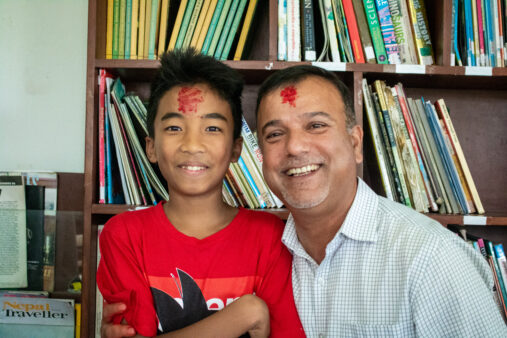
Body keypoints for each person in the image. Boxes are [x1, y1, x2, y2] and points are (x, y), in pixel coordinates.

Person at [102, 64, 507, 337]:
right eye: (275, 134)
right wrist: (242, 315)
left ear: (355, 141)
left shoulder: (430, 257)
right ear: (259, 152)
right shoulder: (286, 243)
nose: (295, 147)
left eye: (316, 125)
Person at [96, 49, 304, 338]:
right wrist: (245, 314)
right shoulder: (124, 236)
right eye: (173, 127)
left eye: (211, 127)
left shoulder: (271, 238)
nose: (192, 144)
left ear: (236, 148)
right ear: (151, 146)